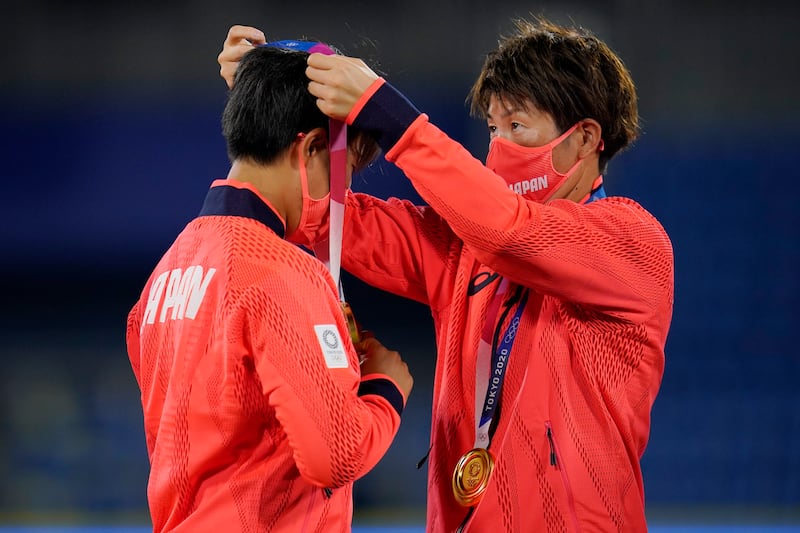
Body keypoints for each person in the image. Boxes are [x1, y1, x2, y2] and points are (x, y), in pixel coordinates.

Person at [219, 16, 674, 531]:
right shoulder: (463, 248)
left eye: (518, 126)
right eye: (493, 129)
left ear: (586, 138)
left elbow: (513, 233)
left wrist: (389, 115)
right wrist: (273, 109)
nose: (498, 147)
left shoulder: (633, 242)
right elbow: (327, 217)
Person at [126, 42, 413, 533]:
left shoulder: (163, 276)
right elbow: (334, 456)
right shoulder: (283, 273)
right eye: (342, 176)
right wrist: (386, 391)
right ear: (313, 149)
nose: (339, 199)